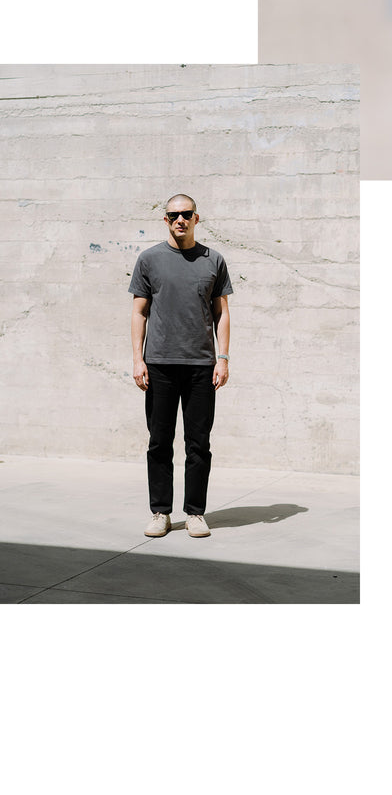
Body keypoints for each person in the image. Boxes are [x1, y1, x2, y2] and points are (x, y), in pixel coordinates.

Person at [129, 195, 233, 538]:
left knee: (198, 443)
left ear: (196, 217)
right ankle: (160, 512)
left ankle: (195, 513)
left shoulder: (213, 260)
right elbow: (139, 312)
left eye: (185, 214)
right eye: (173, 215)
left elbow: (222, 313)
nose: (180, 220)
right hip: (158, 364)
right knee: (159, 441)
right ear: (166, 220)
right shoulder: (150, 260)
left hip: (201, 366)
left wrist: (223, 358)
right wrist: (137, 359)